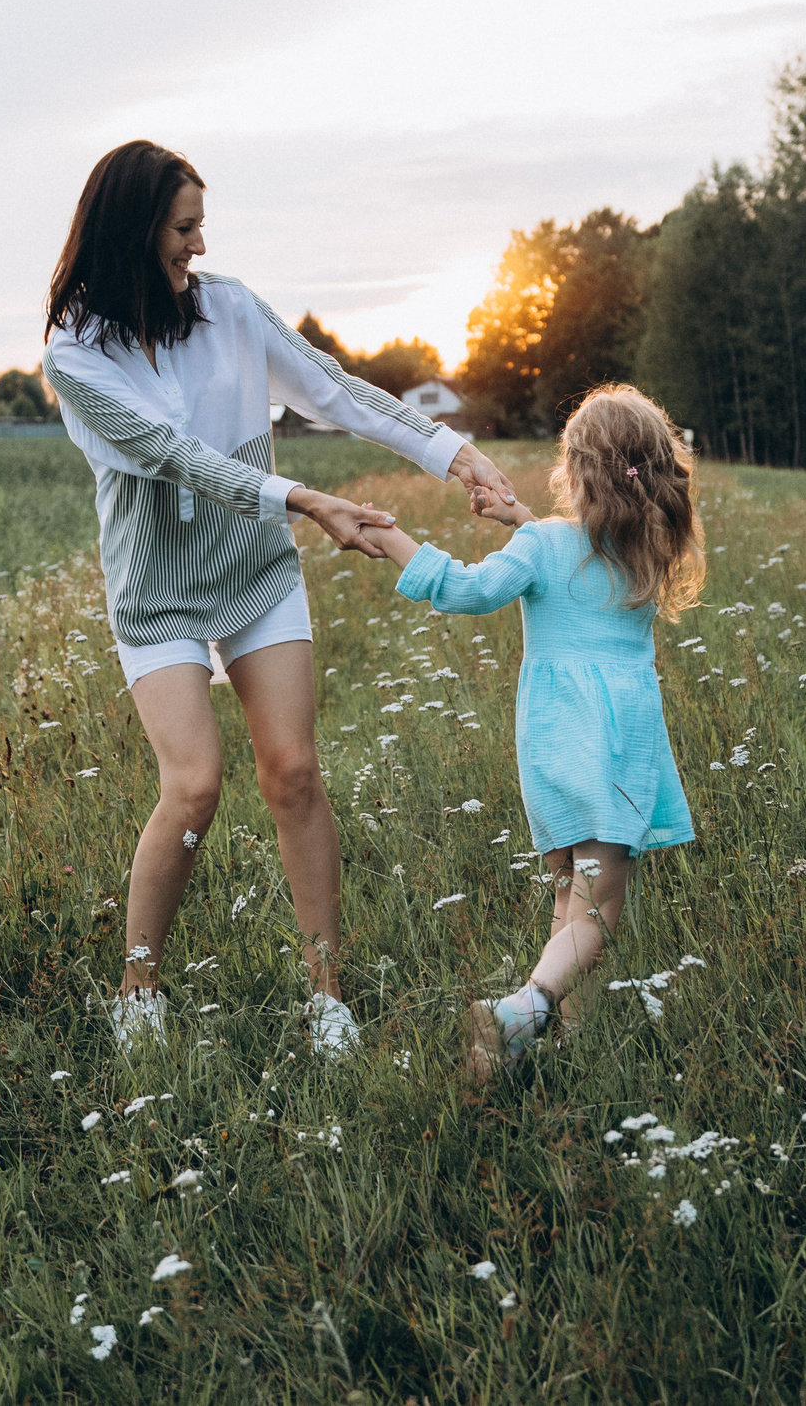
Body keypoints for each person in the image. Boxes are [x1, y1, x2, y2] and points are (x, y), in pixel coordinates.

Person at [42, 139, 516, 1055]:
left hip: (254, 569)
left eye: (201, 226)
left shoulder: (229, 310)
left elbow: (332, 390)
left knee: (293, 769)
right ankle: (139, 988)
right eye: (184, 228)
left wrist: (453, 453)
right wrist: (301, 499)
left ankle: (326, 992)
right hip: (160, 590)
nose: (200, 247)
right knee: (193, 786)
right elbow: (169, 455)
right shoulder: (74, 356)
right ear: (135, 231)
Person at [352, 384, 704, 1074]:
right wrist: (523, 520)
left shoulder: (543, 544)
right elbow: (584, 554)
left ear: (575, 471)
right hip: (617, 750)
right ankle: (526, 1007)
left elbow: (469, 588)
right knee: (598, 912)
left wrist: (394, 536)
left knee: (572, 894)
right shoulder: (648, 550)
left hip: (553, 747)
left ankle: (559, 1043)